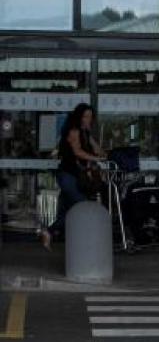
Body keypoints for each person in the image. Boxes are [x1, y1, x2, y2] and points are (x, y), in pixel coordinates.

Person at [39, 102, 106, 249]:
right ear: (79, 117)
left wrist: (105, 154)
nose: (88, 119)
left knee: (66, 209)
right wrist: (96, 159)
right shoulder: (73, 131)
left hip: (75, 177)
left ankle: (59, 237)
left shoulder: (85, 132)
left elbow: (96, 148)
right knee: (80, 205)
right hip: (67, 175)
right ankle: (49, 231)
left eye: (90, 116)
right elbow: (77, 152)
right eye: (85, 116)